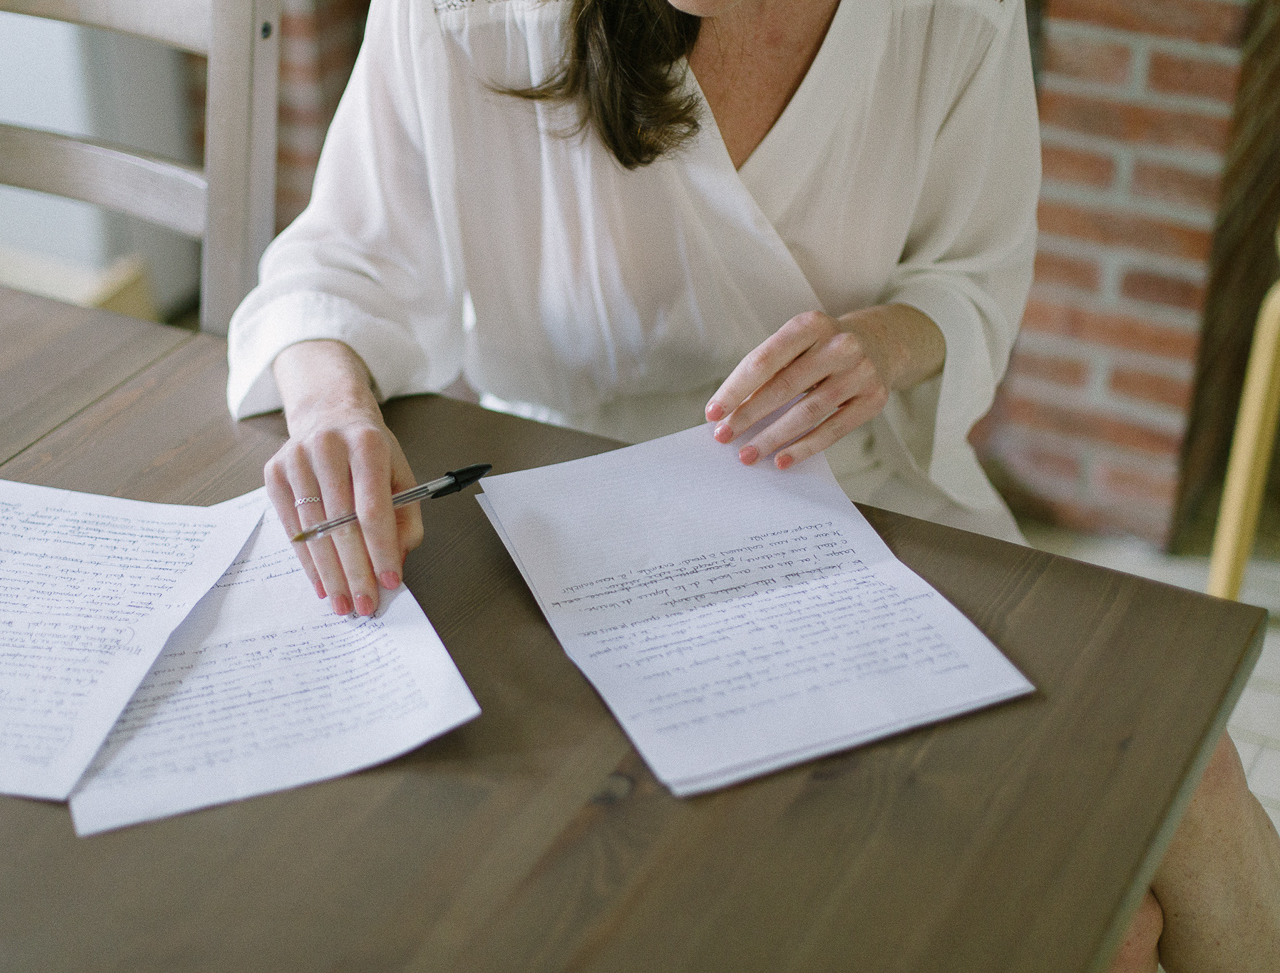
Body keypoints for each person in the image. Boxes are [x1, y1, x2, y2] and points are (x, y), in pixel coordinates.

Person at [227, 1, 1280, 969]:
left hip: (863, 493)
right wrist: (332, 410)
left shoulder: (950, 15)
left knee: (1198, 778)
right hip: (556, 518)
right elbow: (334, 266)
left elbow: (972, 278)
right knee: (1095, 933)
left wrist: (884, 344)